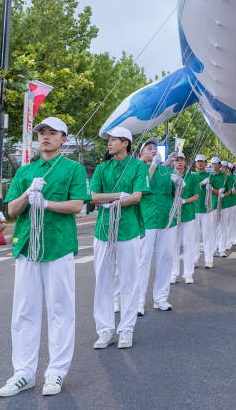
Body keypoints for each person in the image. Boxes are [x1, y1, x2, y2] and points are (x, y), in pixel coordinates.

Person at [0, 116, 90, 398]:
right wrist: (28, 194)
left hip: (58, 245)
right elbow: (12, 209)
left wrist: (46, 202)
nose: (46, 137)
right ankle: (23, 373)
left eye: (53, 133)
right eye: (42, 133)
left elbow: (77, 205)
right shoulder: (26, 171)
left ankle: (56, 371)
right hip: (27, 246)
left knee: (60, 309)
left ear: (64, 138)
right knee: (24, 311)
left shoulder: (73, 169)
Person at [90, 126, 150, 351]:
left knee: (128, 281)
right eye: (109, 140)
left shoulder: (137, 167)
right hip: (103, 230)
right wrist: (116, 197)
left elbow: (136, 197)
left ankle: (126, 329)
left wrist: (110, 202)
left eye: (114, 140)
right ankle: (104, 329)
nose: (109, 143)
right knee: (103, 282)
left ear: (126, 142)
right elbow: (94, 196)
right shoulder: (102, 168)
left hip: (128, 229)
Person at [136, 144, 182, 313]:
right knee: (142, 261)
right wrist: (154, 165)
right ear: (141, 153)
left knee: (165, 258)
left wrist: (179, 184)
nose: (153, 150)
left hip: (166, 219)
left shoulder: (166, 171)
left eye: (155, 148)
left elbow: (175, 193)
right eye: (149, 148)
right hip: (146, 219)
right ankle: (138, 302)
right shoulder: (138, 168)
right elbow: (142, 185)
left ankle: (161, 298)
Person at [172, 152, 201, 284]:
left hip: (188, 215)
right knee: (174, 246)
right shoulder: (169, 177)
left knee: (188, 244)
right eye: (177, 160)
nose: (179, 162)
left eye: (182, 160)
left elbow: (196, 196)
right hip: (172, 217)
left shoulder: (192, 177)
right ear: (173, 162)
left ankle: (188, 273)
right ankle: (174, 273)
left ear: (185, 162)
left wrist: (184, 201)